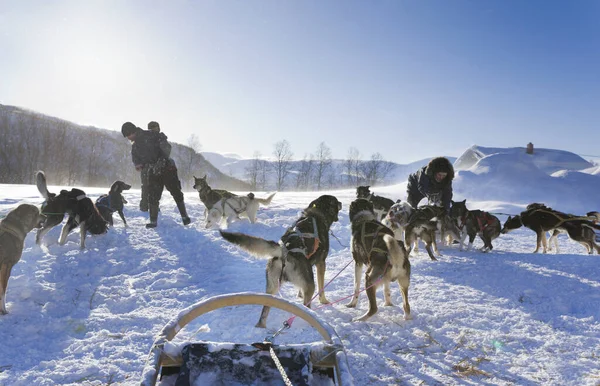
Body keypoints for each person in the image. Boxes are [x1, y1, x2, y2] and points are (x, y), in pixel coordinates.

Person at [121, 121, 191, 228]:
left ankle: (184, 216)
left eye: (128, 135)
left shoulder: (150, 134)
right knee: (153, 196)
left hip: (168, 169)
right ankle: (153, 221)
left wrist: (162, 160)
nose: (128, 138)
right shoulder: (135, 146)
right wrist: (138, 164)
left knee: (176, 191)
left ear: (132, 131)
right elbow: (136, 159)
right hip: (153, 171)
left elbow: (166, 146)